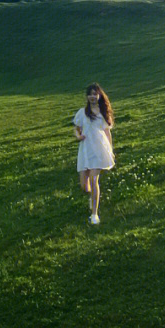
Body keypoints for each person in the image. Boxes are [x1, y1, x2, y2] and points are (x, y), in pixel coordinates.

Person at [72, 83, 114, 225]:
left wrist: (111, 150)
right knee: (85, 185)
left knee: (93, 178)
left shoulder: (103, 112)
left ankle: (94, 214)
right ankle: (92, 197)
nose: (92, 97)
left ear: (99, 95)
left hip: (99, 149)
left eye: (95, 94)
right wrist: (78, 136)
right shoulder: (82, 113)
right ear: (87, 96)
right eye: (90, 94)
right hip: (85, 150)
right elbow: (76, 129)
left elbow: (107, 132)